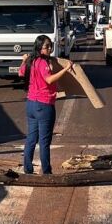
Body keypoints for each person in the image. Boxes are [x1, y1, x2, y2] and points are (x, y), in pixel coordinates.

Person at [18, 35, 74, 174]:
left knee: (31, 138)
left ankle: (28, 168)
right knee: (44, 141)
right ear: (39, 48)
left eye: (50, 46)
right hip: (44, 105)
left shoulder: (31, 60)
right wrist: (65, 69)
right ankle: (47, 171)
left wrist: (24, 61)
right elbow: (49, 80)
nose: (49, 49)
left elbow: (20, 73)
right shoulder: (43, 63)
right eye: (46, 47)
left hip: (31, 103)